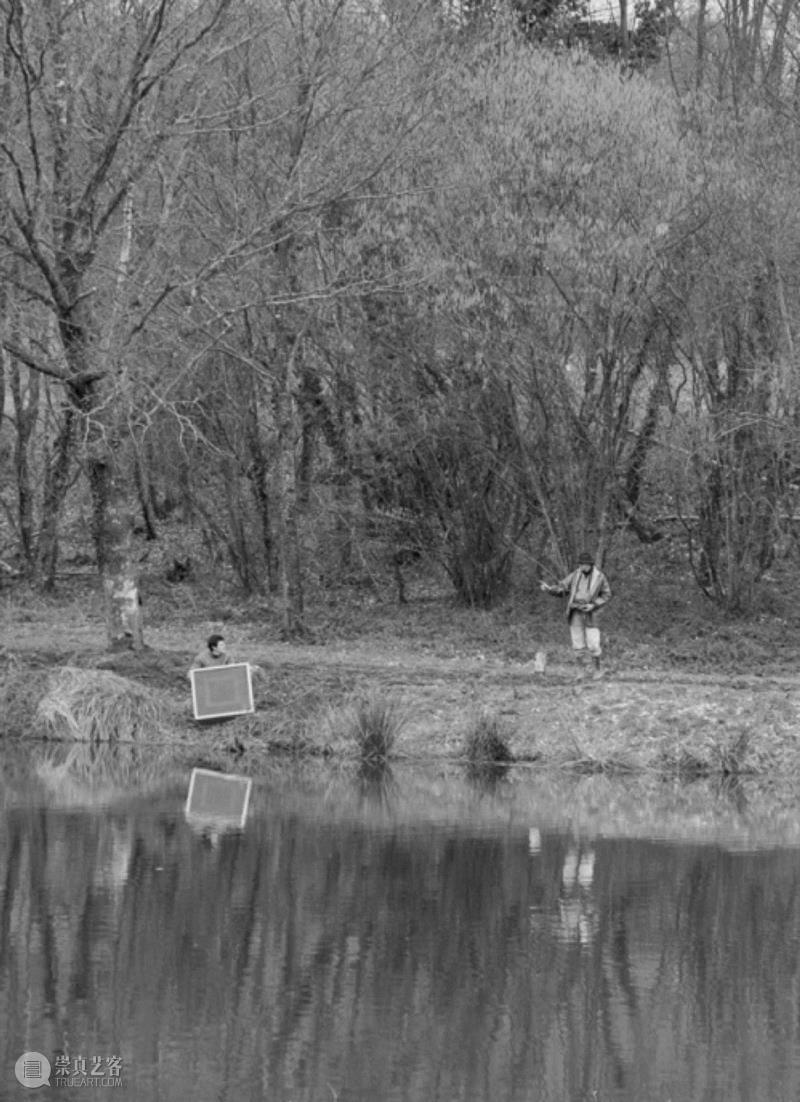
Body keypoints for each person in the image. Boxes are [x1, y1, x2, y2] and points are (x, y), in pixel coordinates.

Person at [540, 551, 612, 678]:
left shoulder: (600, 577)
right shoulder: (575, 575)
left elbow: (606, 595)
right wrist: (549, 589)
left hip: (591, 614)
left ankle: (598, 670)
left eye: (585, 564)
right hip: (575, 612)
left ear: (590, 565)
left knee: (593, 644)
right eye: (581, 564)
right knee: (577, 644)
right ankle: (581, 671)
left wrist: (593, 605)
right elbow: (562, 588)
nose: (582, 566)